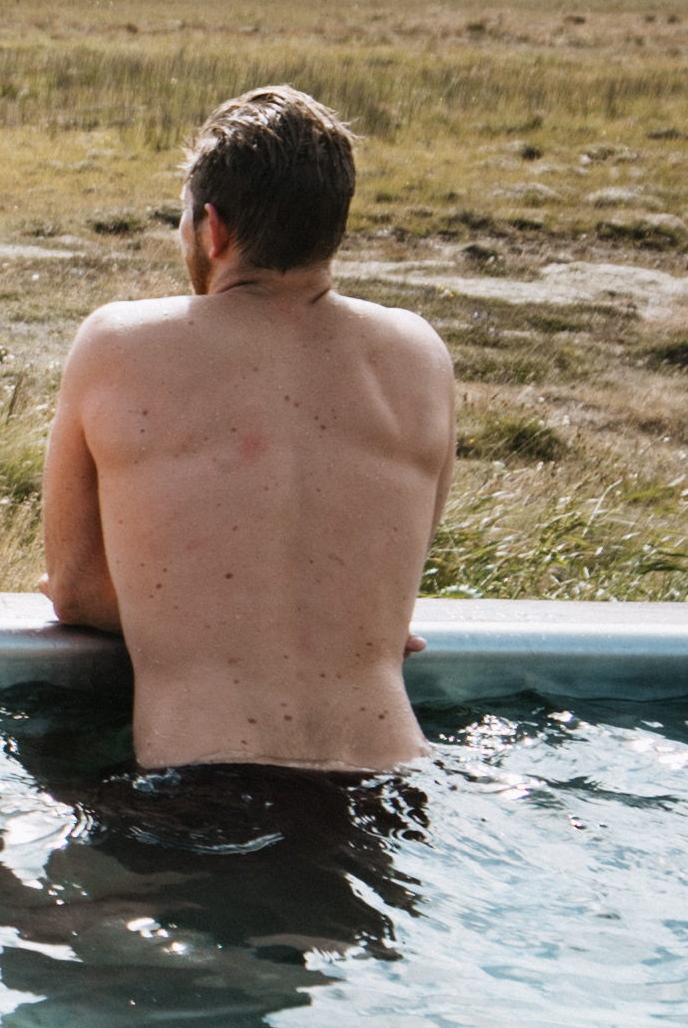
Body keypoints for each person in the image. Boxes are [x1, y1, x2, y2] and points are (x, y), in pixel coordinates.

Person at [39, 81, 455, 774]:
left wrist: (213, 623)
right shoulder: (420, 355)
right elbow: (387, 605)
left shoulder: (119, 343)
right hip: (390, 782)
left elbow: (76, 589)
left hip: (205, 784)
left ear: (213, 228)